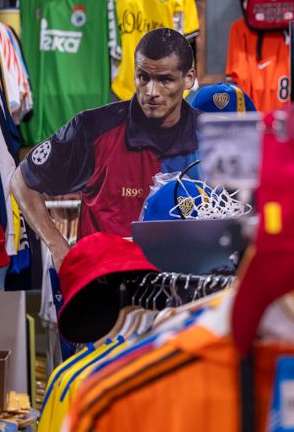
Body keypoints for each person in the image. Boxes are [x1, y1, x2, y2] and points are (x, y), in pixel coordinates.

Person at [11, 27, 200, 269]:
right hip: (104, 287)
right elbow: (22, 180)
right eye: (143, 77)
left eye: (165, 80)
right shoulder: (93, 129)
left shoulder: (212, 137)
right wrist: (58, 247)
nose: (151, 92)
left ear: (189, 78)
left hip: (188, 287)